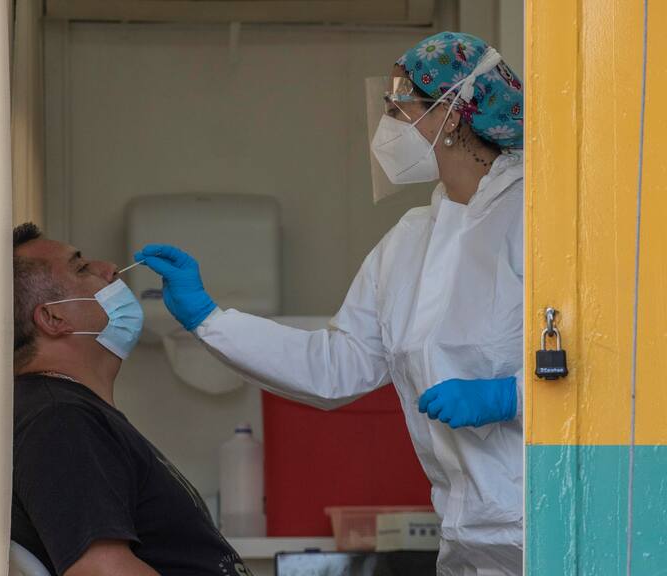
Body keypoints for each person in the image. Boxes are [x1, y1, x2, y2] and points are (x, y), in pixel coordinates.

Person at [134, 32, 524, 576]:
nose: (388, 123)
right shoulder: (410, 241)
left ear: (452, 116)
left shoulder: (537, 222)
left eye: (400, 107)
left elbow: (621, 364)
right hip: (467, 540)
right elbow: (336, 366)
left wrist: (514, 395)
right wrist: (209, 320)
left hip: (556, 526)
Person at [11, 223, 252, 576]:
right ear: (53, 317)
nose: (109, 268)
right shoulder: (60, 421)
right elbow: (101, 571)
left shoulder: (75, 413)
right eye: (81, 268)